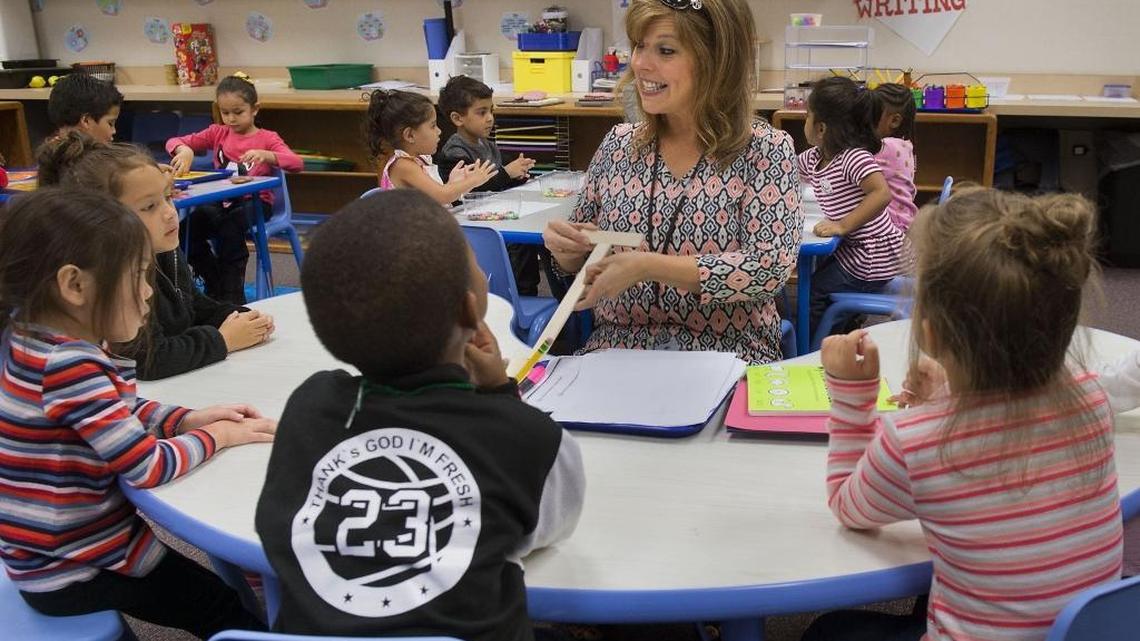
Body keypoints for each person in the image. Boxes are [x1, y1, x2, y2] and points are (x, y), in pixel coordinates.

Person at [256, 189, 584, 641]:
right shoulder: (533, 439)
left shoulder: (307, 408)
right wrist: (501, 395)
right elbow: (545, 531)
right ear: (471, 308)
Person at [807, 188, 1120, 641]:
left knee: (829, 632)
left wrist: (854, 395)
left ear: (929, 335)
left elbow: (848, 507)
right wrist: (946, 400)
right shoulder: (1091, 400)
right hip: (1080, 633)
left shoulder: (916, 442)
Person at [0, 188, 276, 639]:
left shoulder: (37, 338)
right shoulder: (70, 364)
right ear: (74, 284)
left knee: (213, 595)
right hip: (76, 564)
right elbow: (148, 464)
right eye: (138, 276)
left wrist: (185, 420)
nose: (149, 293)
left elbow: (116, 407)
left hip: (45, 551)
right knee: (220, 608)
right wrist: (221, 436)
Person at [541, 0, 802, 364]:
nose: (640, 64)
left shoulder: (764, 151)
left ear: (716, 61)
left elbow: (768, 269)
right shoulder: (619, 145)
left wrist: (648, 266)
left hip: (728, 355)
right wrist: (566, 254)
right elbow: (585, 258)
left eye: (665, 50)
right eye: (638, 46)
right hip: (618, 353)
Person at [37, 132, 275, 380]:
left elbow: (193, 305)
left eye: (168, 196)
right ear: (101, 220)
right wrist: (223, 340)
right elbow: (148, 360)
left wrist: (240, 317)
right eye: (150, 206)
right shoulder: (112, 278)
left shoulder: (164, 248)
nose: (170, 213)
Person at [166, 73, 303, 304]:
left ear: (255, 109)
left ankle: (232, 296)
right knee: (185, 230)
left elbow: (296, 163)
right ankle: (214, 280)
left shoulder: (267, 138)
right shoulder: (217, 132)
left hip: (257, 203)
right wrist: (184, 150)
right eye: (225, 112)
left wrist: (267, 155)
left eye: (238, 112)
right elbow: (172, 141)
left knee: (229, 228)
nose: (230, 118)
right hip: (222, 201)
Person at [799, 77, 911, 335]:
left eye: (807, 116)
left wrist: (842, 225)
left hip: (871, 257)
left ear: (822, 128)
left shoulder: (853, 157)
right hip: (854, 251)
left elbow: (881, 193)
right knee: (820, 278)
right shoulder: (816, 157)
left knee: (814, 291)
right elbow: (785, 170)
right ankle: (840, 326)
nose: (804, 122)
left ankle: (813, 348)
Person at [437, 75, 543, 295]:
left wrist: (519, 174)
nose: (490, 118)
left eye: (491, 111)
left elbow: (499, 178)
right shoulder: (454, 153)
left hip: (495, 216)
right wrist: (507, 173)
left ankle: (530, 292)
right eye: (481, 112)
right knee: (521, 247)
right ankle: (521, 296)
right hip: (474, 226)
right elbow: (474, 188)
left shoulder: (487, 145)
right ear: (458, 118)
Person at [367, 89, 498, 205]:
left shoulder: (419, 160)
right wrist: (473, 181)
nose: (439, 131)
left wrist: (453, 184)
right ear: (410, 135)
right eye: (433, 126)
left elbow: (434, 198)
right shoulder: (403, 165)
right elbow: (443, 196)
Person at [872, 83, 919, 231]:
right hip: (903, 223)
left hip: (892, 228)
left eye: (871, 115)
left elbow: (852, 169)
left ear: (894, 121)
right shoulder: (904, 145)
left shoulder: (887, 147)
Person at [47, 71, 123, 143]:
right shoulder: (93, 156)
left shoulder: (48, 151)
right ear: (86, 121)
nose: (114, 131)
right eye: (110, 123)